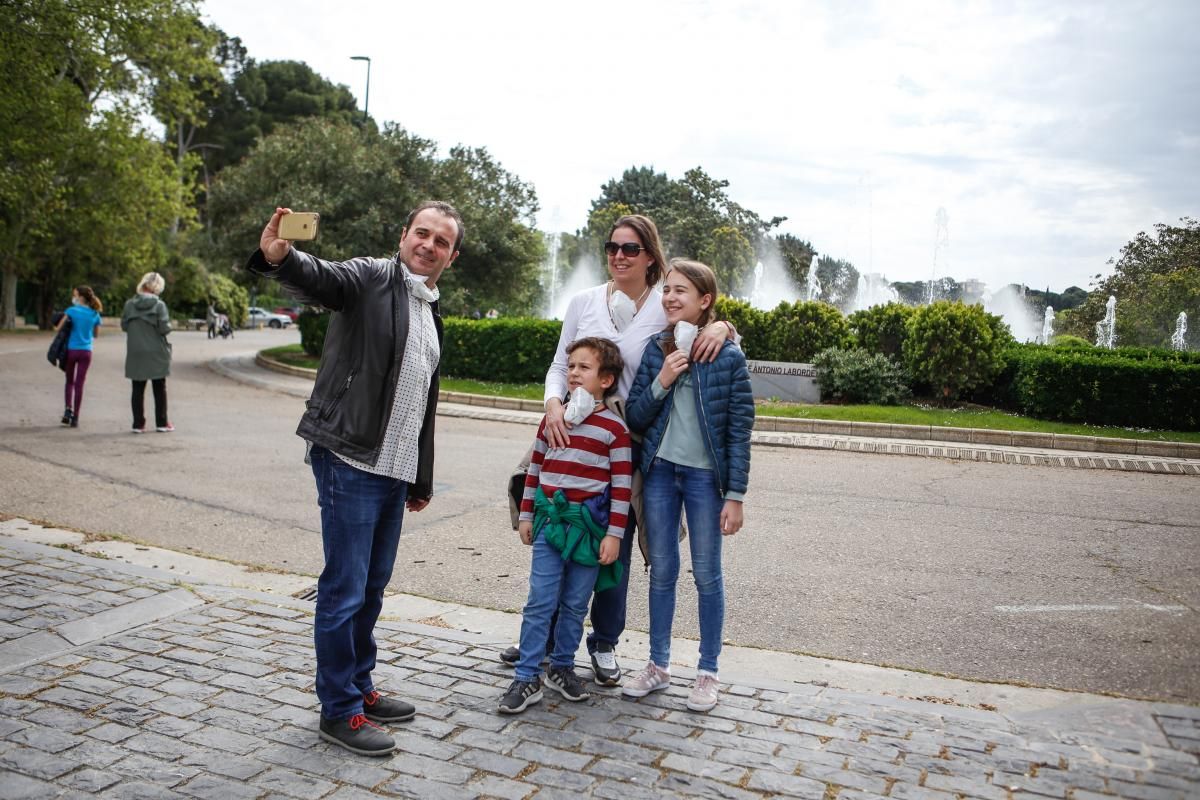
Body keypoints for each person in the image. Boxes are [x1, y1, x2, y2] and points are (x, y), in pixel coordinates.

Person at [247, 202, 462, 757]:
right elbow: (323, 278)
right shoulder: (371, 277)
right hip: (350, 460)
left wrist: (420, 476)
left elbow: (421, 403)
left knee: (370, 588)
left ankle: (359, 687)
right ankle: (338, 710)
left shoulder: (428, 307)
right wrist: (282, 257)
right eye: (422, 233)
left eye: (441, 241)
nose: (429, 245)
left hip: (392, 470)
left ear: (450, 257)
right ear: (403, 235)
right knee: (344, 591)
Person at [499, 214, 736, 686]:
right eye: (612, 247)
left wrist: (725, 327)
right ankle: (543, 639)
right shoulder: (584, 301)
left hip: (630, 441)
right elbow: (557, 363)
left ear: (650, 255)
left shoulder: (661, 306)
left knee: (614, 548)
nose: (619, 256)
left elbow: (701, 325)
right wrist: (552, 404)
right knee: (557, 528)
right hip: (571, 432)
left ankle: (603, 642)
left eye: (630, 248)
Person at [623, 259, 754, 713]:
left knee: (707, 574)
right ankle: (658, 666)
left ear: (705, 301)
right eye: (667, 290)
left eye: (682, 291)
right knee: (662, 571)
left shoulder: (728, 356)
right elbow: (635, 418)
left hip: (704, 479)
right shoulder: (658, 350)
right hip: (660, 473)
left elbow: (739, 431)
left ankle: (707, 672)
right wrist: (662, 381)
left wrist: (734, 496)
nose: (671, 297)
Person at [498, 337, 632, 714]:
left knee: (575, 604)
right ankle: (526, 677)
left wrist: (614, 535)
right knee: (540, 601)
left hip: (589, 534)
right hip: (549, 527)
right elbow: (535, 470)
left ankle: (562, 667)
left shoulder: (615, 431)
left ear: (605, 380)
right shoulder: (552, 420)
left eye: (583, 367)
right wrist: (526, 516)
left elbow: (622, 488)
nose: (573, 373)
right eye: (570, 366)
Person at [121, 272, 174, 433]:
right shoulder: (159, 306)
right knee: (159, 387)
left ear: (142, 284)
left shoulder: (129, 304)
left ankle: (138, 424)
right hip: (156, 350)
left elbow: (124, 326)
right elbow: (164, 328)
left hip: (135, 350)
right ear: (157, 288)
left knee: (137, 387)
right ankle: (162, 423)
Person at [54, 286, 103, 428]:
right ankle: (76, 417)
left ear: (81, 297)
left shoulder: (71, 311)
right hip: (86, 352)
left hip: (72, 350)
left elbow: (58, 328)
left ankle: (67, 410)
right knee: (79, 384)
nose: (73, 297)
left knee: (70, 381)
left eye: (75, 295)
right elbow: (96, 335)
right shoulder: (95, 314)